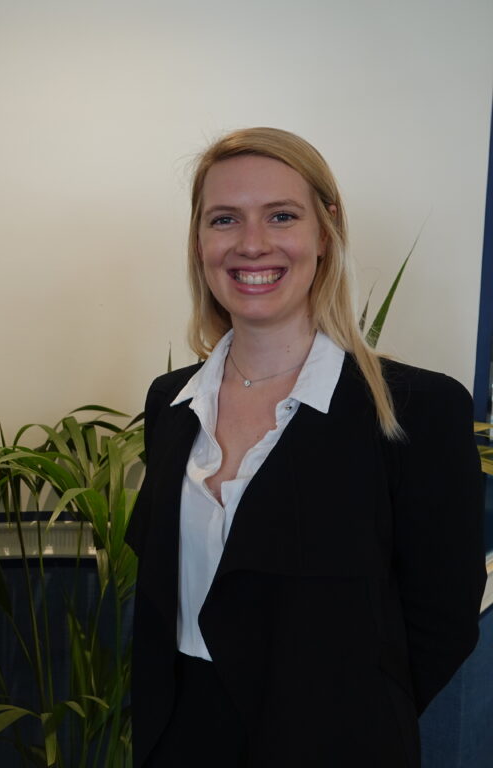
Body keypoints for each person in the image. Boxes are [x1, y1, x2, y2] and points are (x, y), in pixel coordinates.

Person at [125, 127, 486, 767]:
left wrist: (353, 723)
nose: (252, 244)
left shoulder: (417, 410)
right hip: (179, 740)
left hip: (334, 742)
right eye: (224, 219)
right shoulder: (170, 404)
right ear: (200, 243)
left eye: (282, 216)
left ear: (325, 233)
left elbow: (443, 622)